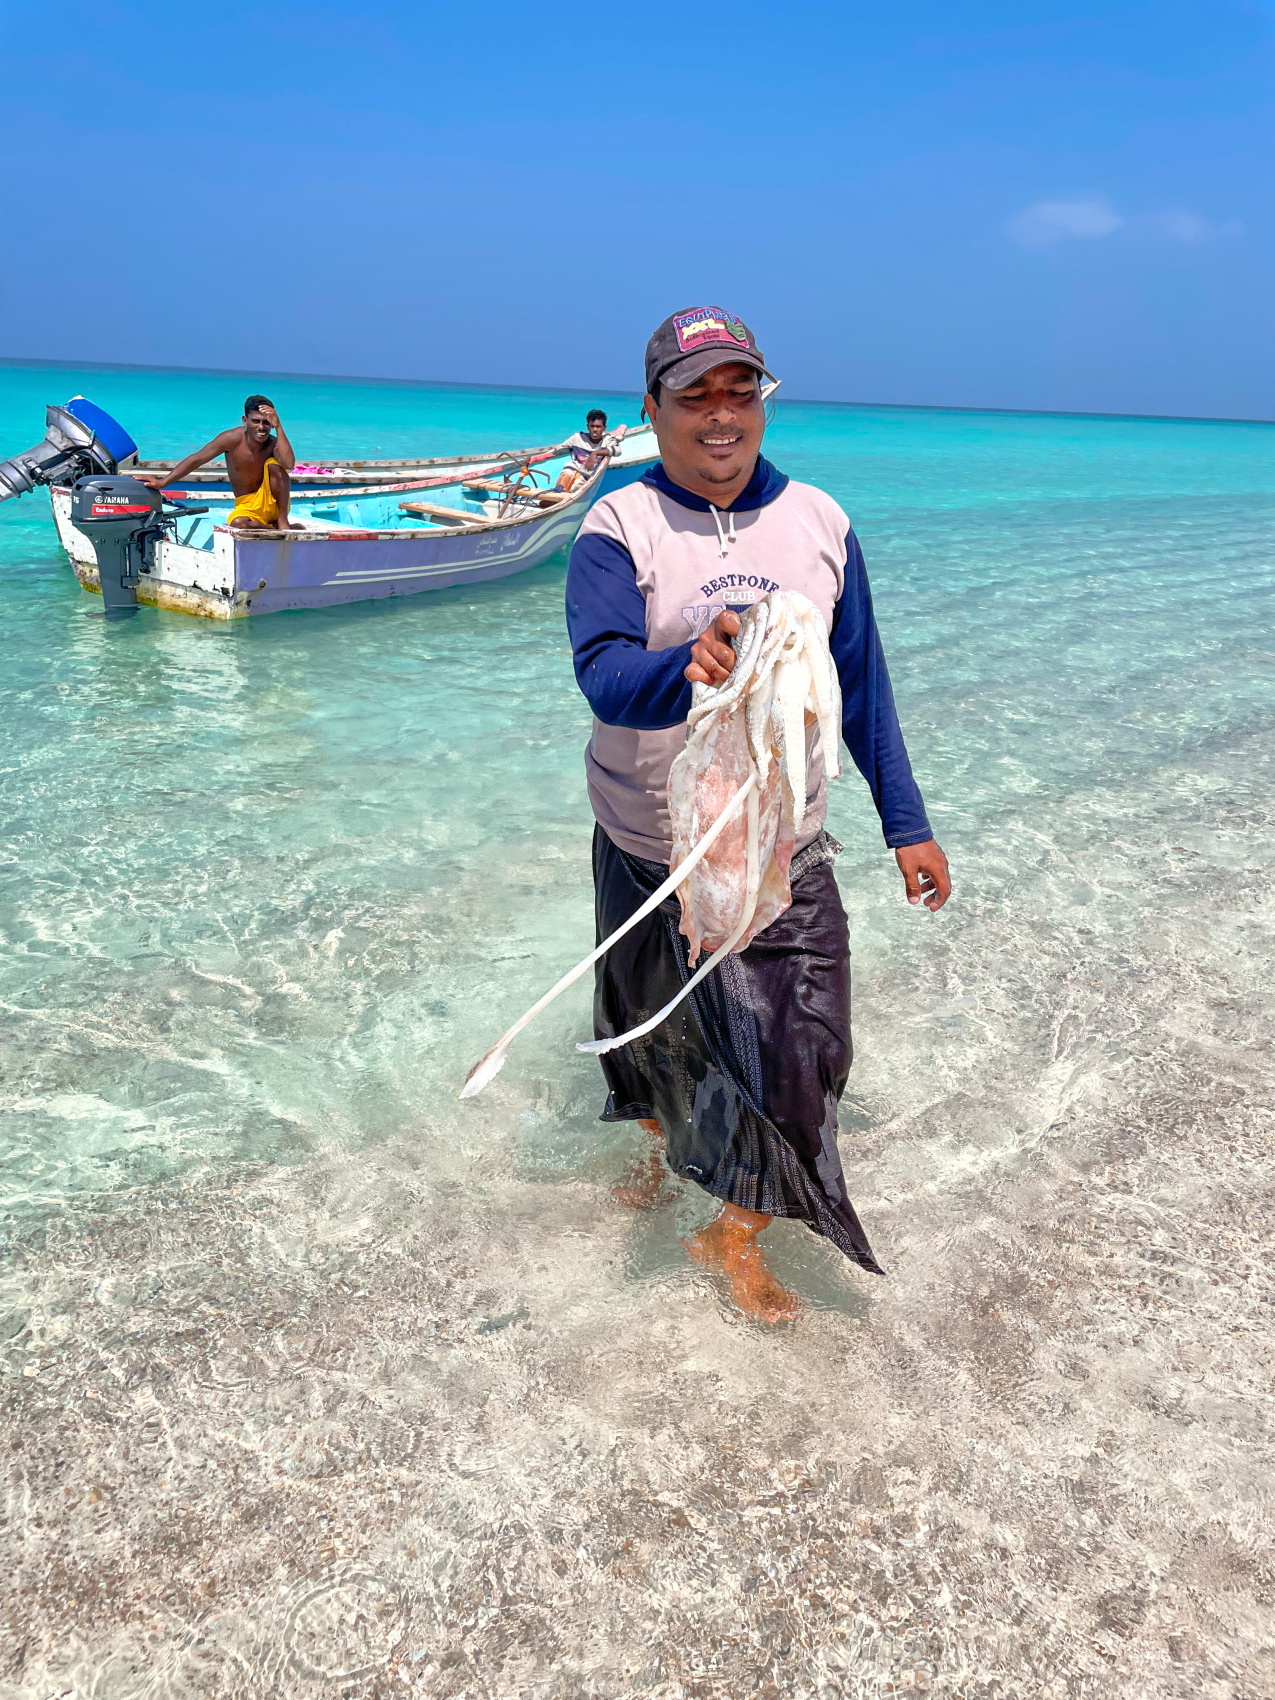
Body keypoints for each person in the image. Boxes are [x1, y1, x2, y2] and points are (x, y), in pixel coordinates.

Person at [564, 306, 951, 1323]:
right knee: (656, 1051)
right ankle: (662, 1167)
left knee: (805, 1051)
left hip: (786, 847)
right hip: (650, 848)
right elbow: (602, 674)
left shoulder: (822, 524)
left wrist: (906, 821)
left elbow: (861, 686)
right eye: (696, 394)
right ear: (654, 410)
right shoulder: (619, 527)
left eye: (742, 389)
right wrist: (682, 664)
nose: (722, 414)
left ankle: (731, 1226)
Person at [140, 396, 301, 530]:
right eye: (255, 421)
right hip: (246, 507)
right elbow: (197, 458)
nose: (261, 427)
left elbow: (289, 464)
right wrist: (163, 482)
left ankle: (282, 521)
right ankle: (272, 528)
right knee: (238, 523)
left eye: (266, 422)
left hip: (274, 505)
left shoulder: (274, 443)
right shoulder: (231, 439)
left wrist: (279, 426)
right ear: (245, 420)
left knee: (275, 465)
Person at [554, 409, 627, 492]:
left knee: (576, 487)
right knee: (565, 476)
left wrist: (595, 453)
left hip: (587, 475)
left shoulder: (607, 440)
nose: (595, 429)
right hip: (572, 468)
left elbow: (618, 450)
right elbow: (557, 450)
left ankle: (564, 496)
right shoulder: (577, 438)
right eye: (592, 426)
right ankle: (557, 491)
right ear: (588, 427)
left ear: (604, 428)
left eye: (598, 427)